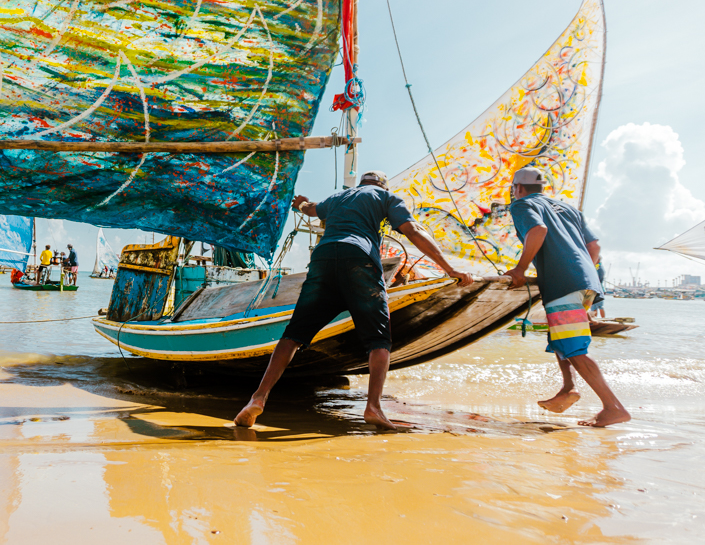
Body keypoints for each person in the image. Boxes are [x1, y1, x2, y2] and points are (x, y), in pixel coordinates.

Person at [234, 170, 475, 431]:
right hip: (359, 260)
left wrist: (301, 203)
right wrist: (450, 270)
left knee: (294, 335)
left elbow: (312, 209)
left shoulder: (338, 197)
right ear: (382, 185)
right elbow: (412, 230)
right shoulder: (387, 197)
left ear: (361, 183)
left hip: (323, 260)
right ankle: (374, 408)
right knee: (379, 339)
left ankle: (257, 398)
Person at [504, 167, 630, 428]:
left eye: (514, 189)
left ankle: (613, 407)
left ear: (518, 188)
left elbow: (537, 231)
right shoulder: (569, 208)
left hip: (562, 284)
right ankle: (568, 387)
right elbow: (594, 246)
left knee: (574, 348)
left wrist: (520, 268)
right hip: (587, 282)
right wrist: (579, 274)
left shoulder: (521, 205)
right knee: (562, 336)